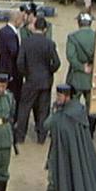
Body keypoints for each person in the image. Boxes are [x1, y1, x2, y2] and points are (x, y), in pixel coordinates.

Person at [43, 84, 96, 191]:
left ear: (67, 97)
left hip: (61, 154)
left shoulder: (62, 115)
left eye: (60, 96)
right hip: (60, 150)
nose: (57, 98)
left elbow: (47, 125)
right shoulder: (78, 110)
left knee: (55, 181)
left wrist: (54, 113)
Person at [16, 16, 60, 145]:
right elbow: (57, 62)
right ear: (45, 29)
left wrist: (26, 74)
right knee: (43, 110)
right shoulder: (49, 43)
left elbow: (20, 63)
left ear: (34, 27)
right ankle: (41, 137)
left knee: (24, 108)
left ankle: (20, 136)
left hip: (30, 80)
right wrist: (49, 71)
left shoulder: (26, 42)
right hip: (45, 81)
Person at [64, 13, 96, 134]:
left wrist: (81, 67)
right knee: (92, 106)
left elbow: (71, 57)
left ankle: (74, 130)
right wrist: (92, 66)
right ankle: (90, 132)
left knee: (73, 104)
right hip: (92, 76)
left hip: (77, 76)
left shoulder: (72, 37)